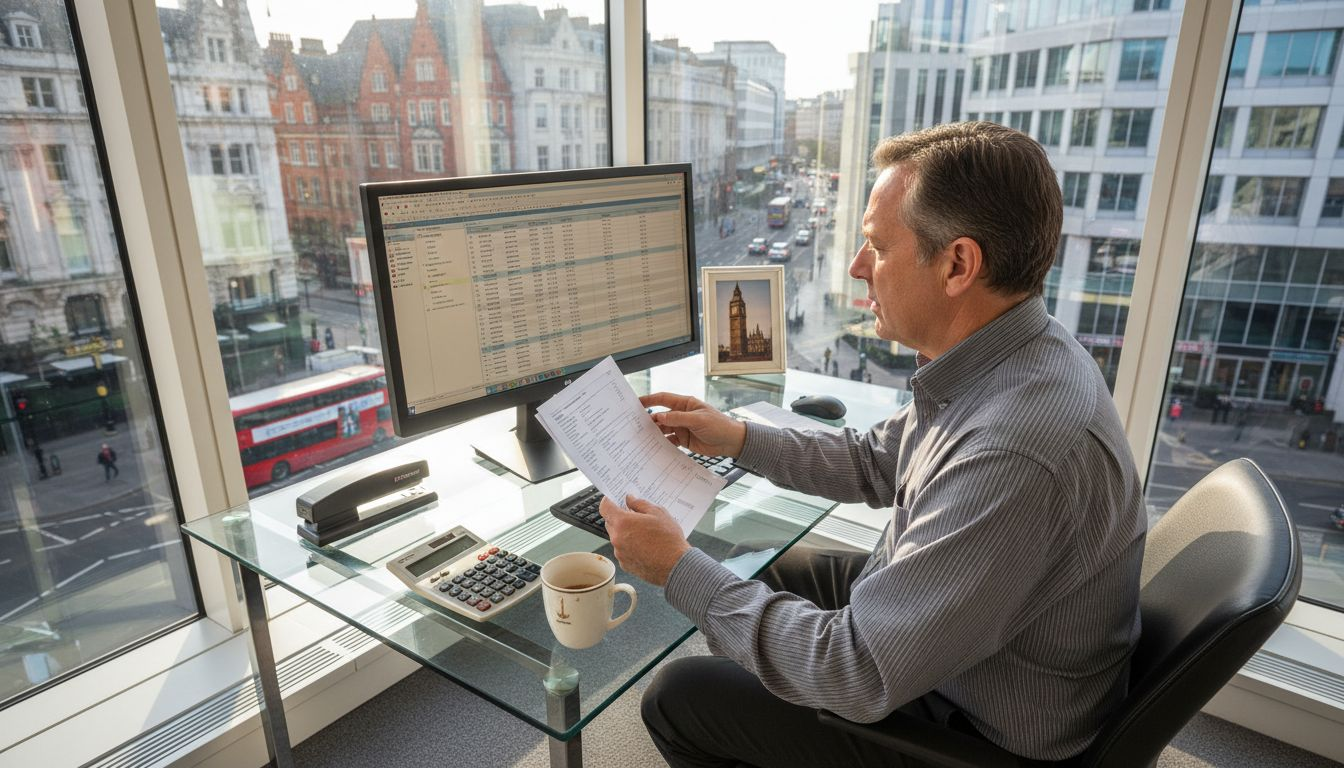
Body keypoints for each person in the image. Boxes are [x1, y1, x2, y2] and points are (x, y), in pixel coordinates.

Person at [599, 122, 1146, 766]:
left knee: (679, 695)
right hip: (975, 648)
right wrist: (739, 438)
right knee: (761, 569)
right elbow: (875, 459)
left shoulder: (1013, 449)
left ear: (958, 265)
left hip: (979, 727)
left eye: (877, 248)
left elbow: (857, 671)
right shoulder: (1013, 352)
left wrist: (676, 569)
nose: (858, 267)